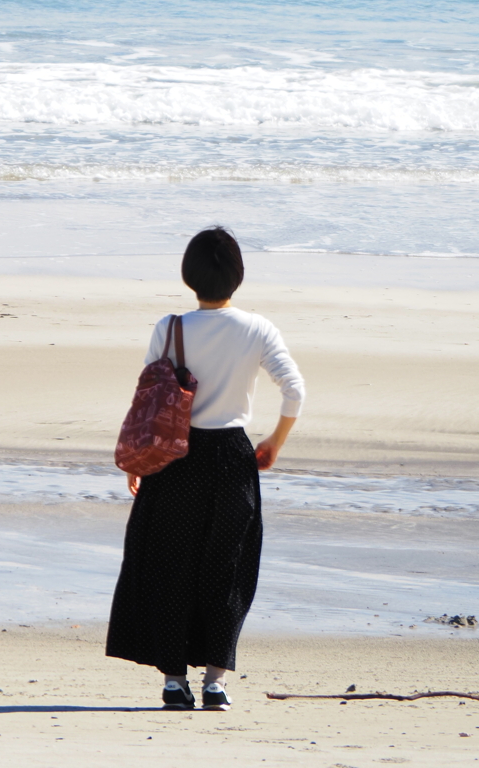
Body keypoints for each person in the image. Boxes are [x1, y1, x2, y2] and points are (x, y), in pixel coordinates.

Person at [106, 226, 304, 710]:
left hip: (174, 458)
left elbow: (146, 397)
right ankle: (215, 682)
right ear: (237, 276)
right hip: (233, 457)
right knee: (227, 568)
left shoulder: (170, 327)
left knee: (168, 566)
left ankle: (175, 682)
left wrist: (139, 458)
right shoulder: (257, 329)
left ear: (189, 276)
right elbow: (295, 390)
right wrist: (274, 442)